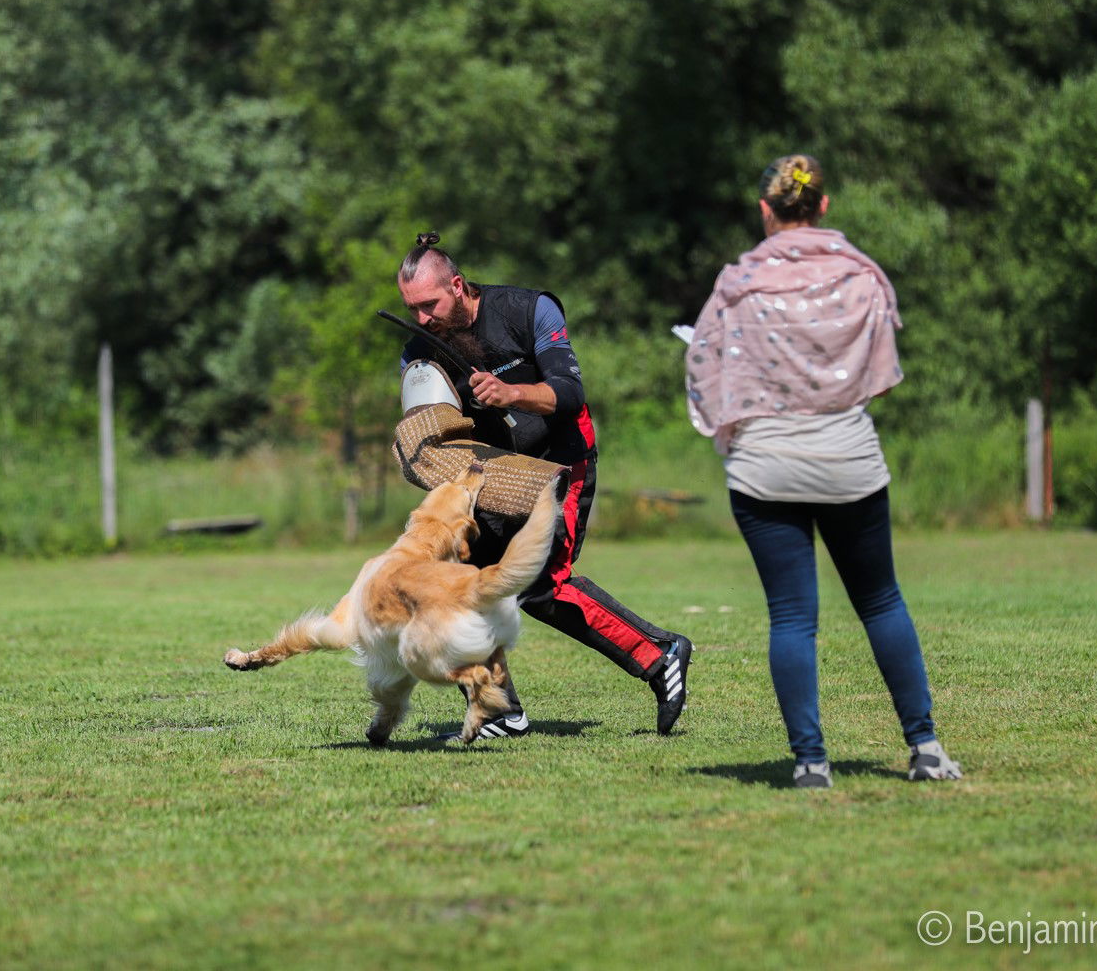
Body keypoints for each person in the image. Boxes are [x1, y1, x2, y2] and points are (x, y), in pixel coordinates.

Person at [685, 155, 962, 788]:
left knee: (790, 616)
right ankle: (924, 748)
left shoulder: (738, 283)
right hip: (850, 462)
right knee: (881, 601)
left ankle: (810, 763)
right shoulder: (860, 276)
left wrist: (737, 422)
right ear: (824, 206)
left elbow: (704, 368)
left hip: (763, 468)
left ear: (765, 210)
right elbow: (880, 380)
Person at [396, 232, 694, 738]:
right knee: (464, 585)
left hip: (562, 462)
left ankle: (659, 653)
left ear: (458, 285)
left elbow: (571, 393)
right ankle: (497, 709)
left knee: (541, 587)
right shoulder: (420, 350)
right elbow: (429, 417)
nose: (423, 318)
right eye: (412, 309)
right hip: (496, 474)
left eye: (430, 305)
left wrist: (510, 392)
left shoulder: (529, 310)